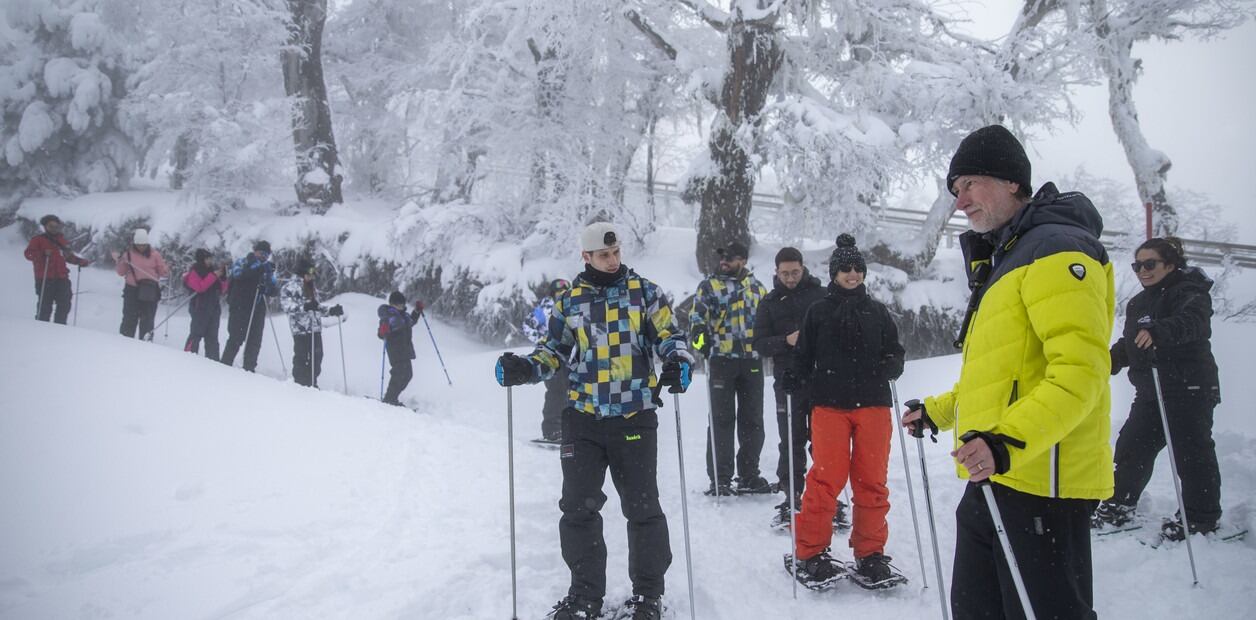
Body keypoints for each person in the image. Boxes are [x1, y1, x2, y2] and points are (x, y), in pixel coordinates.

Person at [902, 125, 1115, 619]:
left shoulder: (1058, 250)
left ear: (1012, 181)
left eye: (970, 183)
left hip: (1043, 483)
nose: (961, 201)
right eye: (956, 191)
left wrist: (1006, 442)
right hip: (998, 477)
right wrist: (936, 412)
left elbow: (1080, 373)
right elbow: (999, 377)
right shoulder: (1007, 258)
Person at [494, 222, 693, 620]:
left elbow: (669, 336)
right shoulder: (570, 301)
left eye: (616, 252)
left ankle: (648, 596)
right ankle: (585, 596)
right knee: (578, 510)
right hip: (583, 419)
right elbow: (553, 352)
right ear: (586, 257)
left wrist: (677, 361)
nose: (612, 260)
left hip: (634, 415)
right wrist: (526, 368)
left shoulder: (645, 293)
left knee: (642, 509)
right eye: (603, 255)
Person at [782, 234, 907, 590]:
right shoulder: (818, 311)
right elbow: (803, 356)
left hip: (873, 405)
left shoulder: (878, 311)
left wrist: (892, 364)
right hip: (829, 406)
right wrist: (795, 374)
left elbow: (894, 350)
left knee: (871, 482)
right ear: (834, 273)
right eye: (845, 269)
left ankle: (870, 553)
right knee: (826, 481)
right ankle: (810, 552)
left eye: (857, 268)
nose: (852, 274)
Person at [1092, 237, 1222, 541]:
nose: (1143, 271)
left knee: (1192, 454)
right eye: (1138, 265)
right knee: (1132, 447)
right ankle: (1119, 507)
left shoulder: (1190, 292)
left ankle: (1201, 519)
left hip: (1188, 387)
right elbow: (1132, 343)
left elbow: (1193, 323)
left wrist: (1159, 331)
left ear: (1170, 264)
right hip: (1151, 391)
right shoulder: (1139, 302)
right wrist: (1104, 361)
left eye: (1150, 264)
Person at [751, 246, 845, 530]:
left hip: (821, 379)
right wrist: (786, 341)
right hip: (787, 381)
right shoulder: (769, 302)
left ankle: (828, 497)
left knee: (824, 442)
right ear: (776, 273)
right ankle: (791, 496)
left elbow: (838, 330)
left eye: (795, 272)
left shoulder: (821, 295)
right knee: (790, 440)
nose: (790, 278)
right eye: (785, 273)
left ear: (803, 269)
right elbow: (759, 344)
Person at [689, 241, 769, 496]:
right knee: (722, 420)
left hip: (752, 360)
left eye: (731, 258)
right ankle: (720, 478)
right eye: (722, 256)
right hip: (721, 360)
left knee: (752, 420)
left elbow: (768, 321)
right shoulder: (709, 286)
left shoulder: (758, 289)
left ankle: (748, 474)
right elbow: (696, 321)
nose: (724, 261)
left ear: (743, 261)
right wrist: (701, 344)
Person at [280, 257, 344, 388]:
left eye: (313, 274)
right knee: (301, 357)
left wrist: (331, 311)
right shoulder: (290, 287)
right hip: (301, 329)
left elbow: (316, 307)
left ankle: (311, 382)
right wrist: (304, 307)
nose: (312, 277)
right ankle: (300, 383)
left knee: (317, 357)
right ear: (303, 273)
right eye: (310, 274)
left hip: (315, 328)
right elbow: (287, 306)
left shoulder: (311, 288)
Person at [523, 278, 573, 443]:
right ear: (553, 293)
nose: (561, 294)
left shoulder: (572, 305)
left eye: (565, 290)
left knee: (570, 392)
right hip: (549, 356)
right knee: (555, 392)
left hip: (569, 357)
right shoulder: (545, 309)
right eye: (558, 291)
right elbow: (527, 325)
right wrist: (542, 339)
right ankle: (552, 430)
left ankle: (568, 429)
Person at [220, 241, 279, 372]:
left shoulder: (266, 267)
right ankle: (225, 364)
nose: (263, 256)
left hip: (258, 307)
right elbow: (238, 275)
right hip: (240, 305)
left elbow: (274, 289)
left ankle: (249, 367)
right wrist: (257, 269)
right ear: (255, 251)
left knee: (255, 339)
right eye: (261, 253)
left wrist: (268, 281)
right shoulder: (243, 262)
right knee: (236, 337)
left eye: (266, 254)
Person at [24, 214, 90, 324]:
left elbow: (68, 256)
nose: (54, 229)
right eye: (51, 226)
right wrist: (42, 254)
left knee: (64, 304)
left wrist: (80, 261)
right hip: (45, 278)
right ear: (45, 226)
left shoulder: (62, 240)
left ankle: (60, 327)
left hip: (62, 277)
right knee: (45, 306)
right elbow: (28, 254)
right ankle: (40, 328)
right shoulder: (38, 240)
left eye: (56, 226)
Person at [114, 229, 170, 340]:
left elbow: (163, 272)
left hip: (149, 291)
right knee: (129, 318)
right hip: (132, 291)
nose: (141, 247)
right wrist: (119, 261)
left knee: (147, 320)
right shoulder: (128, 255)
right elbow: (121, 272)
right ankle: (124, 342)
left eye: (144, 245)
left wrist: (167, 269)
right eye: (139, 245)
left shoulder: (155, 255)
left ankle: (146, 343)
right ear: (135, 243)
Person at [378, 290, 424, 406]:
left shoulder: (403, 315)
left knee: (408, 375)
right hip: (395, 350)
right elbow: (381, 333)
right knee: (399, 373)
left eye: (403, 304)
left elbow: (411, 321)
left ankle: (391, 397)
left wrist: (417, 311)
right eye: (399, 304)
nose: (402, 306)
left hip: (405, 349)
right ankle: (390, 398)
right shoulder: (388, 316)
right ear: (392, 304)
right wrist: (383, 331)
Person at [183, 249, 228, 360]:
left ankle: (213, 361)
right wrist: (213, 276)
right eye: (207, 259)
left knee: (212, 337)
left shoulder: (212, 271)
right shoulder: (195, 271)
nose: (210, 261)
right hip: (199, 307)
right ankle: (188, 357)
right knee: (196, 334)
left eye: (210, 259)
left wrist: (223, 278)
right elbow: (200, 287)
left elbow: (222, 290)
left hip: (213, 307)